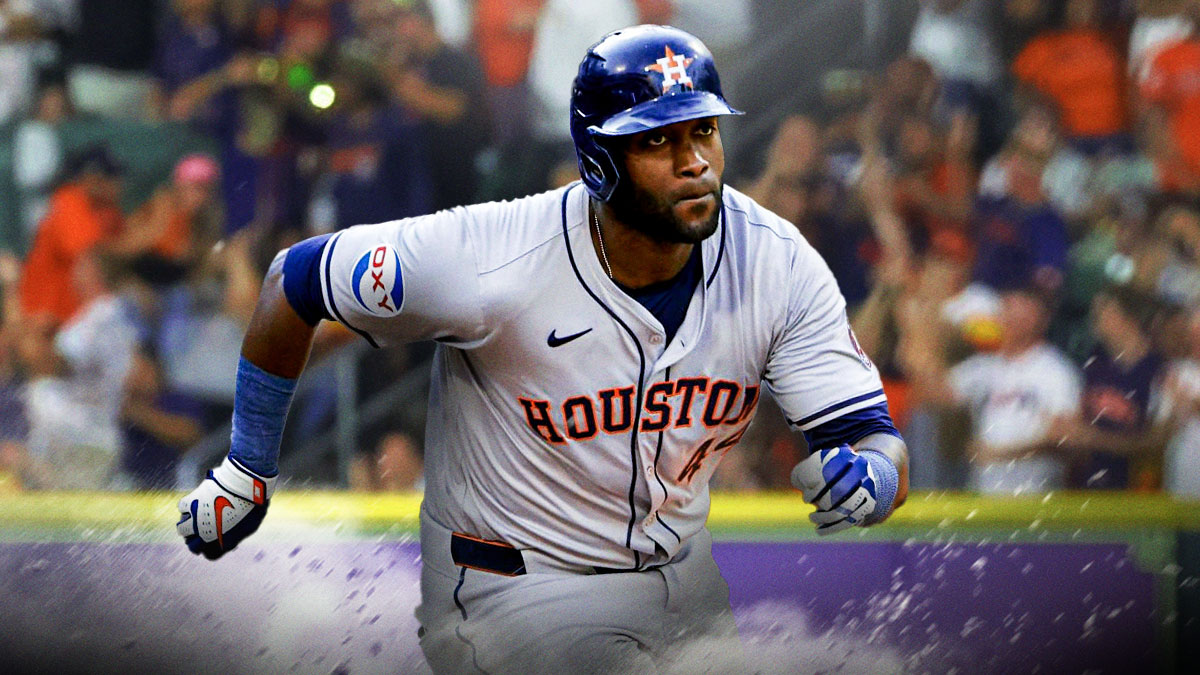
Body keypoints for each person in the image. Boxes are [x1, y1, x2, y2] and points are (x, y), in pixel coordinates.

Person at [175, 25, 909, 673]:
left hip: (683, 582)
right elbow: (292, 280)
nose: (695, 162)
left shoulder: (776, 260)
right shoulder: (490, 257)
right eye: (658, 139)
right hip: (510, 588)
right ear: (599, 161)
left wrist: (874, 470)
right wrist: (247, 466)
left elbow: (873, 439)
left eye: (704, 131)